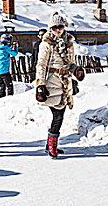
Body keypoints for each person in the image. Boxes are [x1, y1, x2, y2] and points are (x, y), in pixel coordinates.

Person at [35, 12, 85, 159]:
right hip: (51, 82)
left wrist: (76, 70)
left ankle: (50, 144)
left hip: (64, 82)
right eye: (55, 27)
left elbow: (70, 62)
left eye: (60, 27)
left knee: (59, 114)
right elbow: (41, 65)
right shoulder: (46, 44)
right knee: (58, 115)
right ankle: (52, 146)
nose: (58, 30)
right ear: (50, 28)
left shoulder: (69, 43)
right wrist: (40, 85)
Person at [0, 33, 18, 98]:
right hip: (4, 70)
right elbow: (15, 53)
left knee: (2, 86)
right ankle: (10, 98)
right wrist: (15, 47)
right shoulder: (6, 48)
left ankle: (1, 97)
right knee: (9, 85)